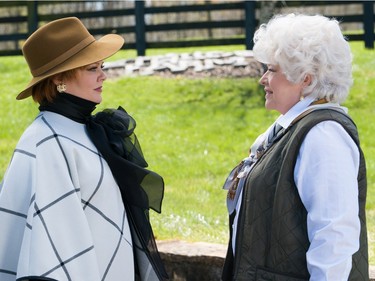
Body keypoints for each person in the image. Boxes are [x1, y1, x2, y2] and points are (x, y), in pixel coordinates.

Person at [0, 17, 168, 281]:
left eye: (102, 66)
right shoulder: (48, 141)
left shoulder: (82, 129)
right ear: (58, 79)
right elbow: (54, 249)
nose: (103, 75)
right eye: (92, 68)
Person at [222, 13, 368, 281]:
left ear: (306, 79)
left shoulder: (323, 135)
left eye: (272, 70)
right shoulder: (291, 128)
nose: (263, 79)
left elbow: (335, 237)